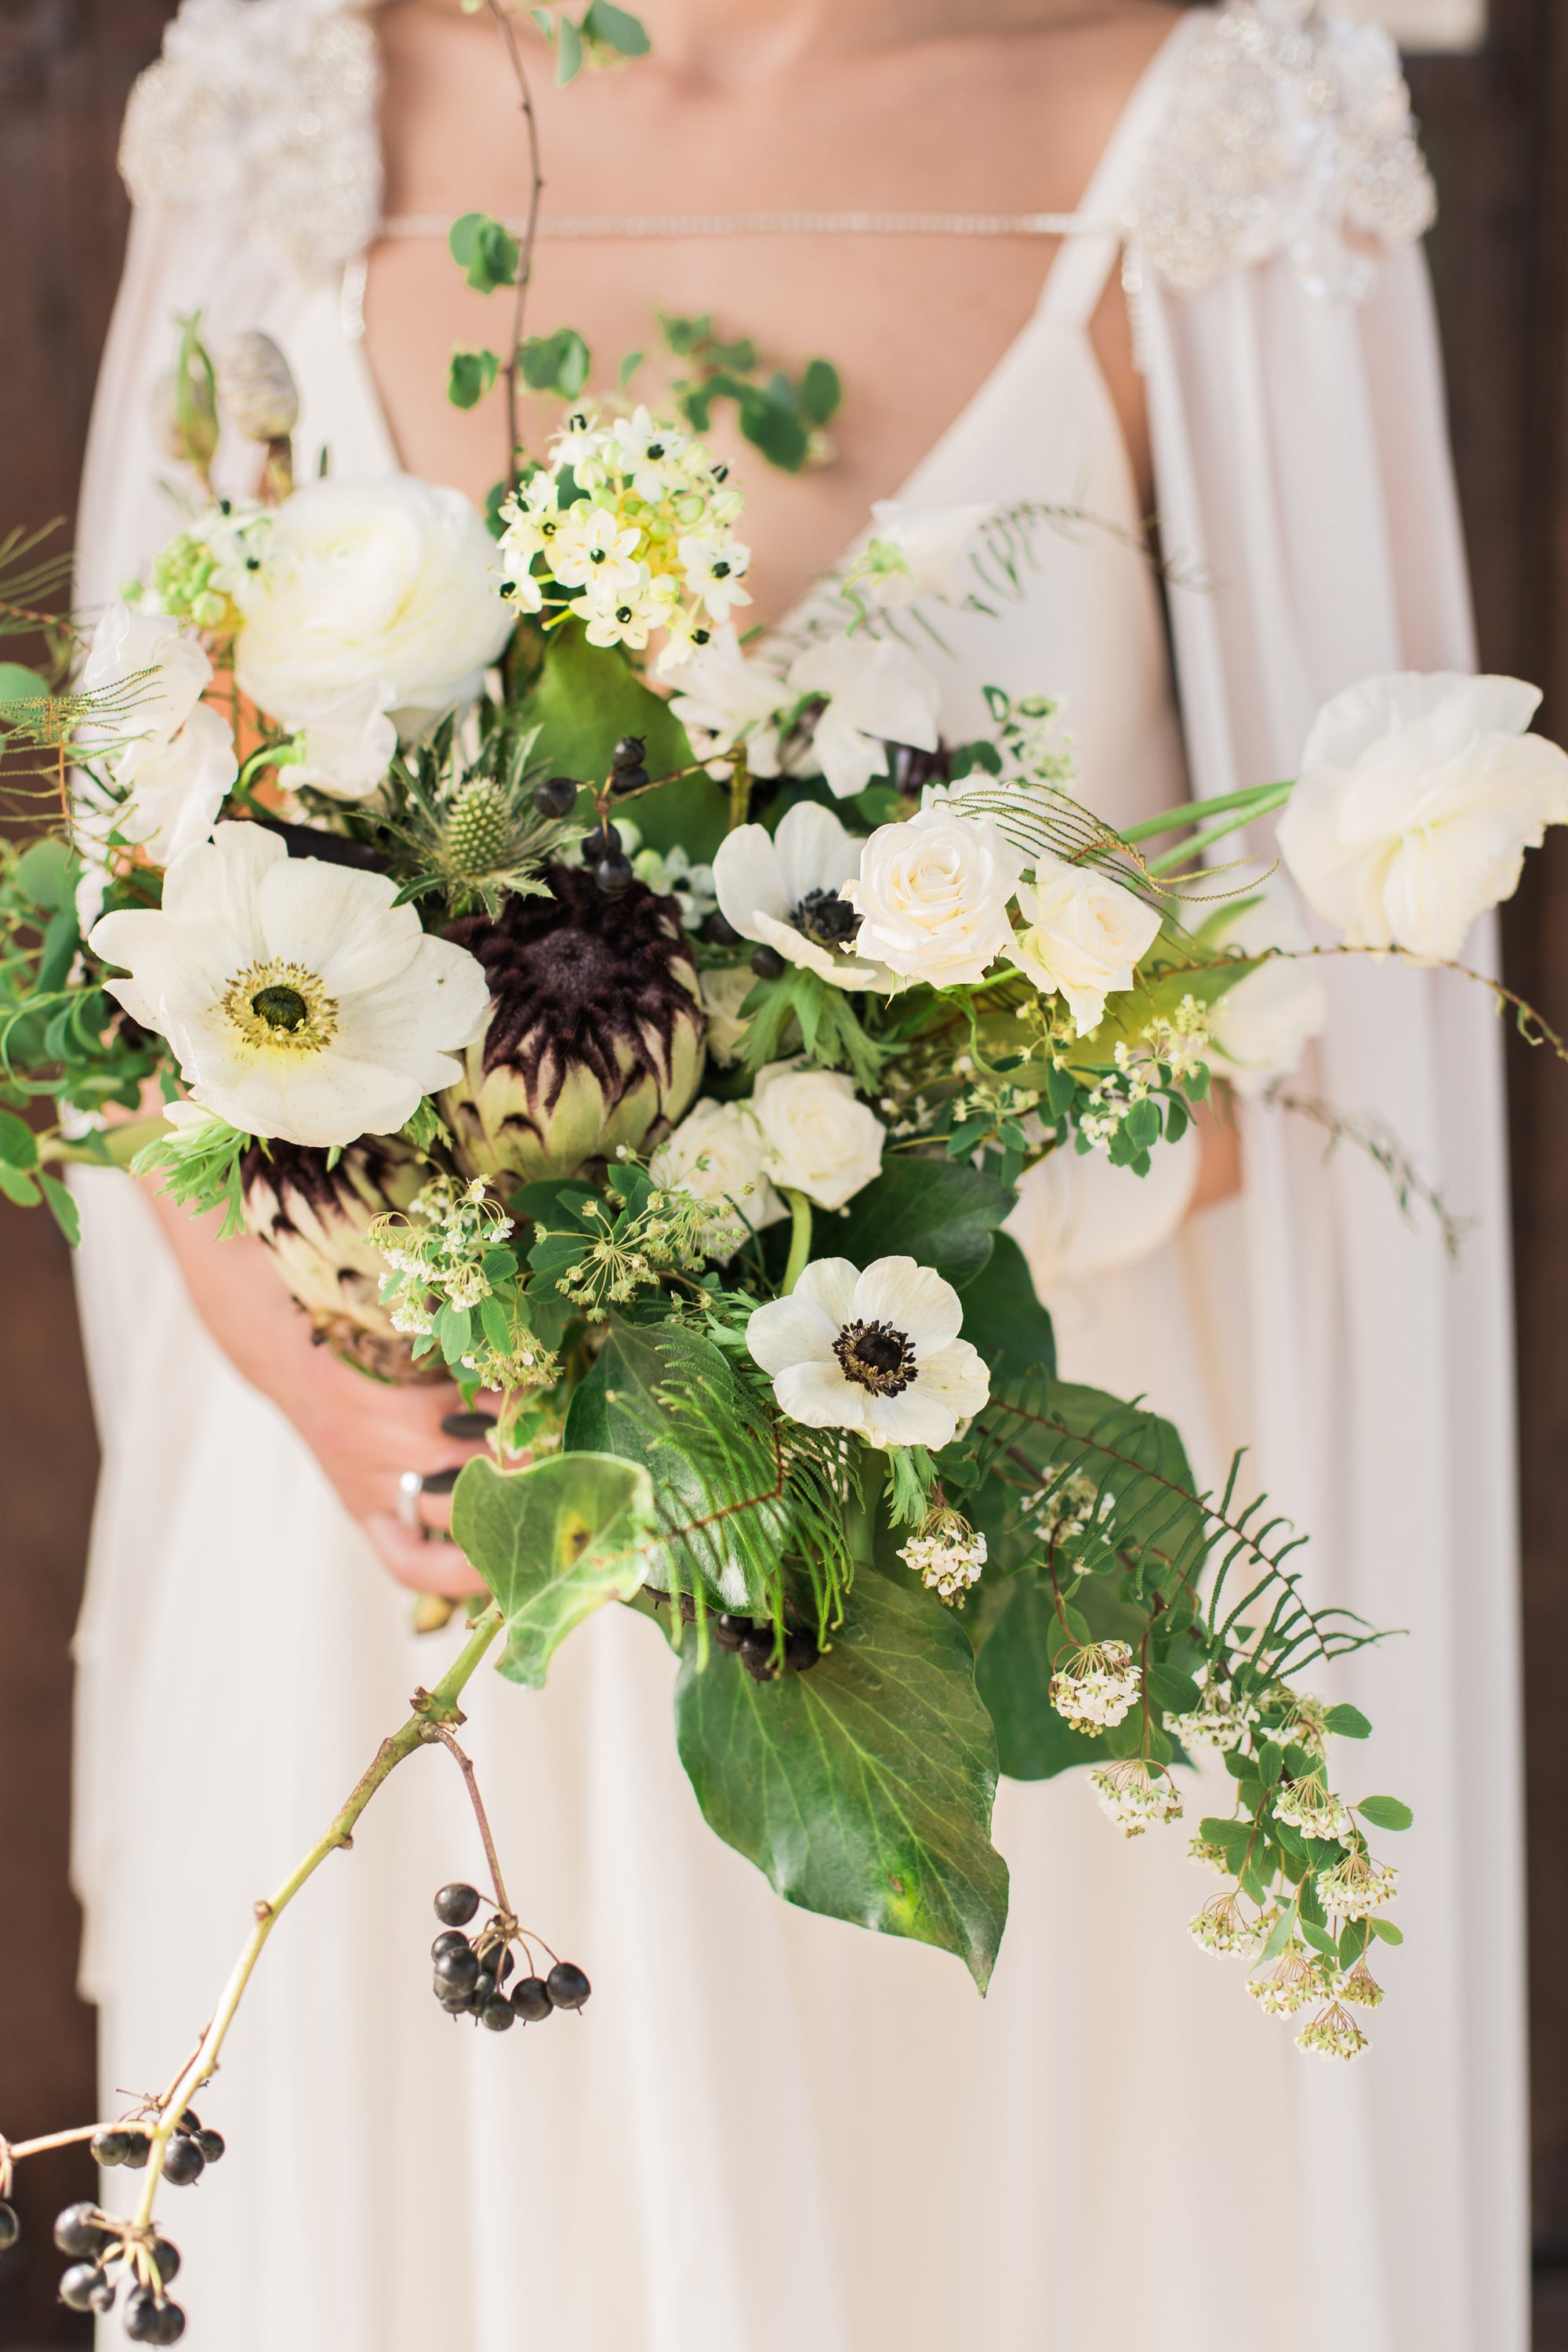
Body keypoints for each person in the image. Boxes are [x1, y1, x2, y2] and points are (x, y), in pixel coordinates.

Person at [69, 3, 1526, 2347]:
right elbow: (108, 907)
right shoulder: (298, 94)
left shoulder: (1207, 121)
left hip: (977, 1566)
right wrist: (306, 1350)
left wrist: (791, 1271)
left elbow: (1366, 997)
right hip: (403, 1576)